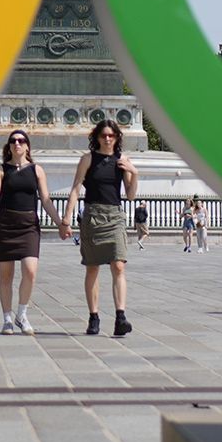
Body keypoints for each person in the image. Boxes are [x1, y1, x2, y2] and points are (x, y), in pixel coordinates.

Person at [0, 130, 69, 335]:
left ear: (28, 146)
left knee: (30, 271)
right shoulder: (1, 170)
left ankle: (22, 314)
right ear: (9, 146)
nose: (17, 144)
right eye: (13, 141)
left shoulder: (37, 170)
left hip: (29, 224)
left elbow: (46, 200)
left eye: (21, 141)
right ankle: (7, 319)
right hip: (6, 223)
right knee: (6, 275)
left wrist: (60, 223)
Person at [67, 120, 138, 336]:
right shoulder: (88, 159)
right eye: (103, 135)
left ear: (117, 138)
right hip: (93, 215)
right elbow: (76, 187)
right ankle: (94, 316)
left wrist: (134, 173)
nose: (107, 139)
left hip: (114, 215)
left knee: (118, 265)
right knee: (93, 266)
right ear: (97, 138)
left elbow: (131, 194)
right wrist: (66, 218)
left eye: (112, 135)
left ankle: (120, 317)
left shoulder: (122, 161)